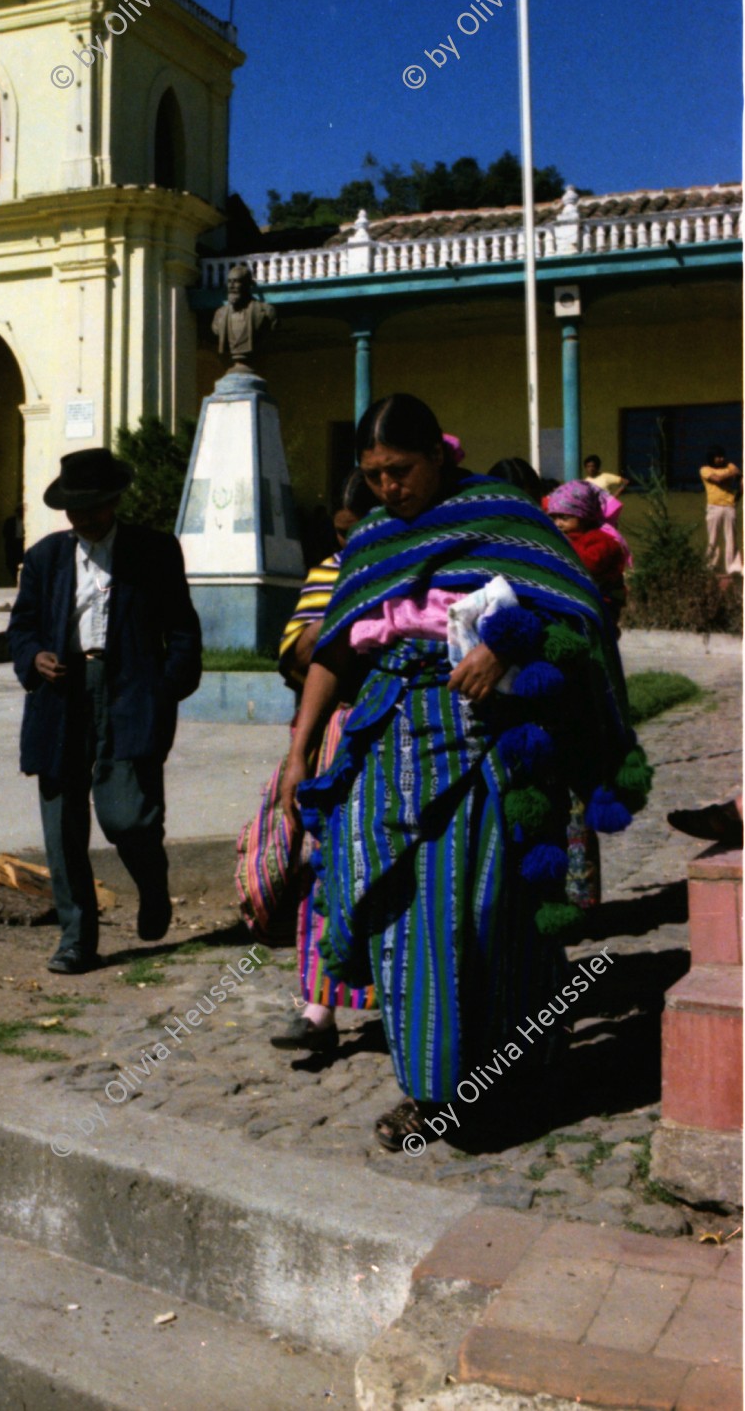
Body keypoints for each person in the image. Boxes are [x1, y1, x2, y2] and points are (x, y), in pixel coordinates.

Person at [280, 394, 643, 1151]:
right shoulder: (373, 539)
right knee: (396, 916)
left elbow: (571, 609)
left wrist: (505, 645)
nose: (388, 488)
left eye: (400, 470)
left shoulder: (502, 515)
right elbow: (338, 646)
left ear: (439, 455)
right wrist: (300, 747)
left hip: (486, 740)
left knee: (482, 912)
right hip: (389, 739)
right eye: (373, 474)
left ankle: (512, 1071)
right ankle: (430, 1090)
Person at [7, 448, 202, 974]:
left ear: (115, 501)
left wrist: (166, 690)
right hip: (61, 695)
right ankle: (77, 939)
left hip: (130, 691)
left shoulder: (155, 552)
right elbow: (22, 627)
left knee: (128, 815)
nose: (86, 519)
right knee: (63, 823)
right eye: (76, 510)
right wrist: (34, 657)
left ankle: (152, 882)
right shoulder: (46, 558)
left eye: (95, 507)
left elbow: (182, 627)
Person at [268, 473, 378, 1053]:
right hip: (340, 734)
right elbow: (302, 652)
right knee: (324, 863)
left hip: (411, 732)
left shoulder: (422, 564)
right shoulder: (331, 573)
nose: (348, 543)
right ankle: (318, 1006)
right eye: (342, 534)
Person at [543, 480, 629, 618]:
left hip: (601, 605)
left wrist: (564, 545)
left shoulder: (601, 539)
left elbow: (589, 564)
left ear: (583, 516)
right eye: (553, 518)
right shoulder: (569, 538)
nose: (557, 524)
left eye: (564, 518)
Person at [211, 263, 276, 365]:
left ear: (248, 284)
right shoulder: (219, 315)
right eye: (229, 282)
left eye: (236, 281)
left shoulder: (266, 312)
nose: (231, 286)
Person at [700, 446, 741, 574]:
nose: (721, 459)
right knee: (713, 539)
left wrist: (737, 497)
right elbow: (717, 479)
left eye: (722, 456)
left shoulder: (729, 466)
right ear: (712, 458)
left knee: (731, 538)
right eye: (718, 457)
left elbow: (740, 477)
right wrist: (730, 474)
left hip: (729, 506)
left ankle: (732, 568)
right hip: (714, 507)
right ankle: (710, 567)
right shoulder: (705, 469)